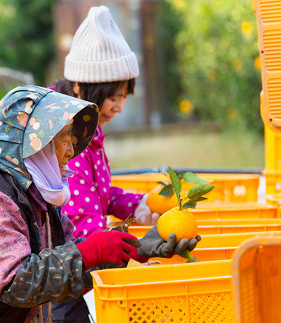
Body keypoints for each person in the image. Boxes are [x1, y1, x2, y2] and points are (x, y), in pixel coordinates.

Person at [0, 85, 197, 323]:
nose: (70, 151)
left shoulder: (35, 197)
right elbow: (13, 282)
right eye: (62, 139)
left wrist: (133, 247)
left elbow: (61, 267)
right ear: (28, 144)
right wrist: (91, 251)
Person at [48, 6, 202, 322]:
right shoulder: (67, 144)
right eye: (113, 97)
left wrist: (142, 203)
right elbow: (84, 226)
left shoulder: (89, 130)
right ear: (83, 87)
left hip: (82, 273)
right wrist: (138, 245)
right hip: (66, 280)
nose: (120, 106)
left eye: (125, 96)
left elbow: (99, 194)